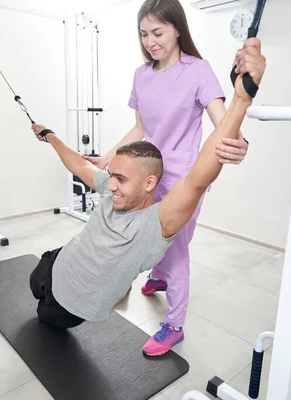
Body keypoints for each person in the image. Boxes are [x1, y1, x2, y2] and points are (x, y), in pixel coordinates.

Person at [28, 37, 266, 357]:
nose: (110, 187)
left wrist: (241, 99)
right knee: (34, 282)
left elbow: (198, 178)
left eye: (120, 179)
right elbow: (78, 164)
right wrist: (50, 135)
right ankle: (156, 275)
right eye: (112, 176)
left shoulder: (153, 225)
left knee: (43, 316)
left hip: (68, 303)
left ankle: (173, 322)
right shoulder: (112, 188)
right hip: (56, 262)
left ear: (149, 182)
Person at [82, 0, 250, 356]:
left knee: (175, 250)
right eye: (144, 34)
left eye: (157, 32)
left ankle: (174, 324)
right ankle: (158, 276)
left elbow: (225, 121)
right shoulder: (142, 75)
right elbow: (140, 128)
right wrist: (107, 157)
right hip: (148, 176)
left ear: (177, 29)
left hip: (183, 178)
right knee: (147, 237)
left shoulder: (198, 70)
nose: (150, 41)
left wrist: (240, 142)